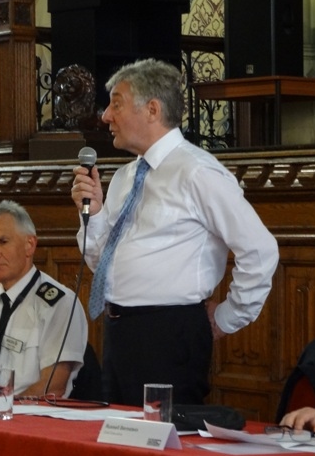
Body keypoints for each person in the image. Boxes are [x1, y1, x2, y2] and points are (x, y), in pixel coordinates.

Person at [71, 58, 279, 406]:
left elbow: (260, 251)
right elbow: (100, 262)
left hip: (169, 334)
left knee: (163, 445)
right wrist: (90, 212)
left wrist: (227, 317)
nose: (106, 116)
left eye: (116, 104)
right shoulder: (124, 177)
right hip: (118, 330)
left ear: (152, 109)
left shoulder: (197, 172)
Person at [0, 200, 88, 398]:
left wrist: (4, 409)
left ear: (30, 245)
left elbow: (53, 386)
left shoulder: (59, 304)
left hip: (33, 417)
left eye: (2, 242)